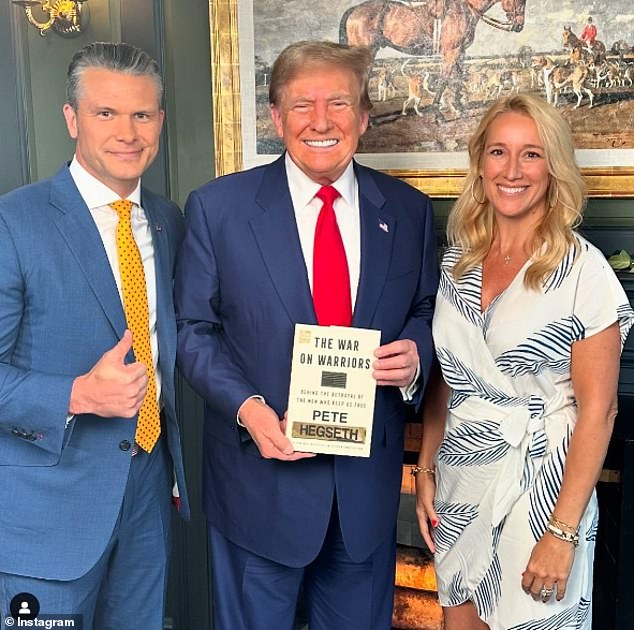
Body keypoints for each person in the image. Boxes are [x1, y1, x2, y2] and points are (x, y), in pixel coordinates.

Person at [175, 40, 438, 630]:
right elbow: (193, 331)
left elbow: (424, 307)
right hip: (257, 488)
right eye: (302, 105)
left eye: (339, 103)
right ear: (275, 117)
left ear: (365, 116)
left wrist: (415, 354)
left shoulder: (409, 210)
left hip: (364, 498)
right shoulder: (218, 209)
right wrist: (247, 408)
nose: (321, 121)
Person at [414, 92, 634, 630]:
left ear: (553, 168)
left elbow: (599, 411)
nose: (512, 170)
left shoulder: (584, 270)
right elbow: (448, 377)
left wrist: (561, 530)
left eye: (531, 154)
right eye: (498, 152)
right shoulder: (455, 262)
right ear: (480, 164)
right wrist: (424, 467)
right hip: (462, 477)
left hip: (545, 487)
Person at [0, 42, 189, 627]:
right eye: (107, 113)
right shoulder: (14, 221)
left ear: (160, 120)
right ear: (71, 119)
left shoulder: (169, 220)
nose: (128, 132)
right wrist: (76, 395)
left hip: (148, 498)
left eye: (143, 114)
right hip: (46, 514)